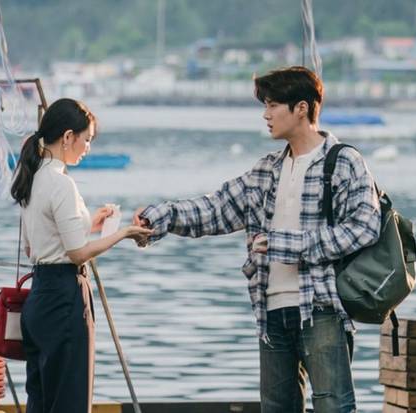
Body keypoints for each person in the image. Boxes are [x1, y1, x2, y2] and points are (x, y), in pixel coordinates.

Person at [133, 67, 382, 412]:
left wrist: (286, 244)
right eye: (265, 105)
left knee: (334, 407)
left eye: (273, 105)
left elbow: (365, 227)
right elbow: (215, 209)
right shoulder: (266, 170)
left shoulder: (343, 161)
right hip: (270, 311)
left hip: (322, 308)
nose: (266, 114)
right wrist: (158, 217)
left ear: (302, 108)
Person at [10, 98, 153, 413]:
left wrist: (89, 224)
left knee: (41, 400)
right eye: (86, 139)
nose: (87, 147)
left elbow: (35, 247)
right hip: (64, 297)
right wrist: (123, 233)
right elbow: (76, 253)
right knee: (70, 402)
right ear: (67, 137)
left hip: (39, 299)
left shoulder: (32, 177)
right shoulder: (62, 184)